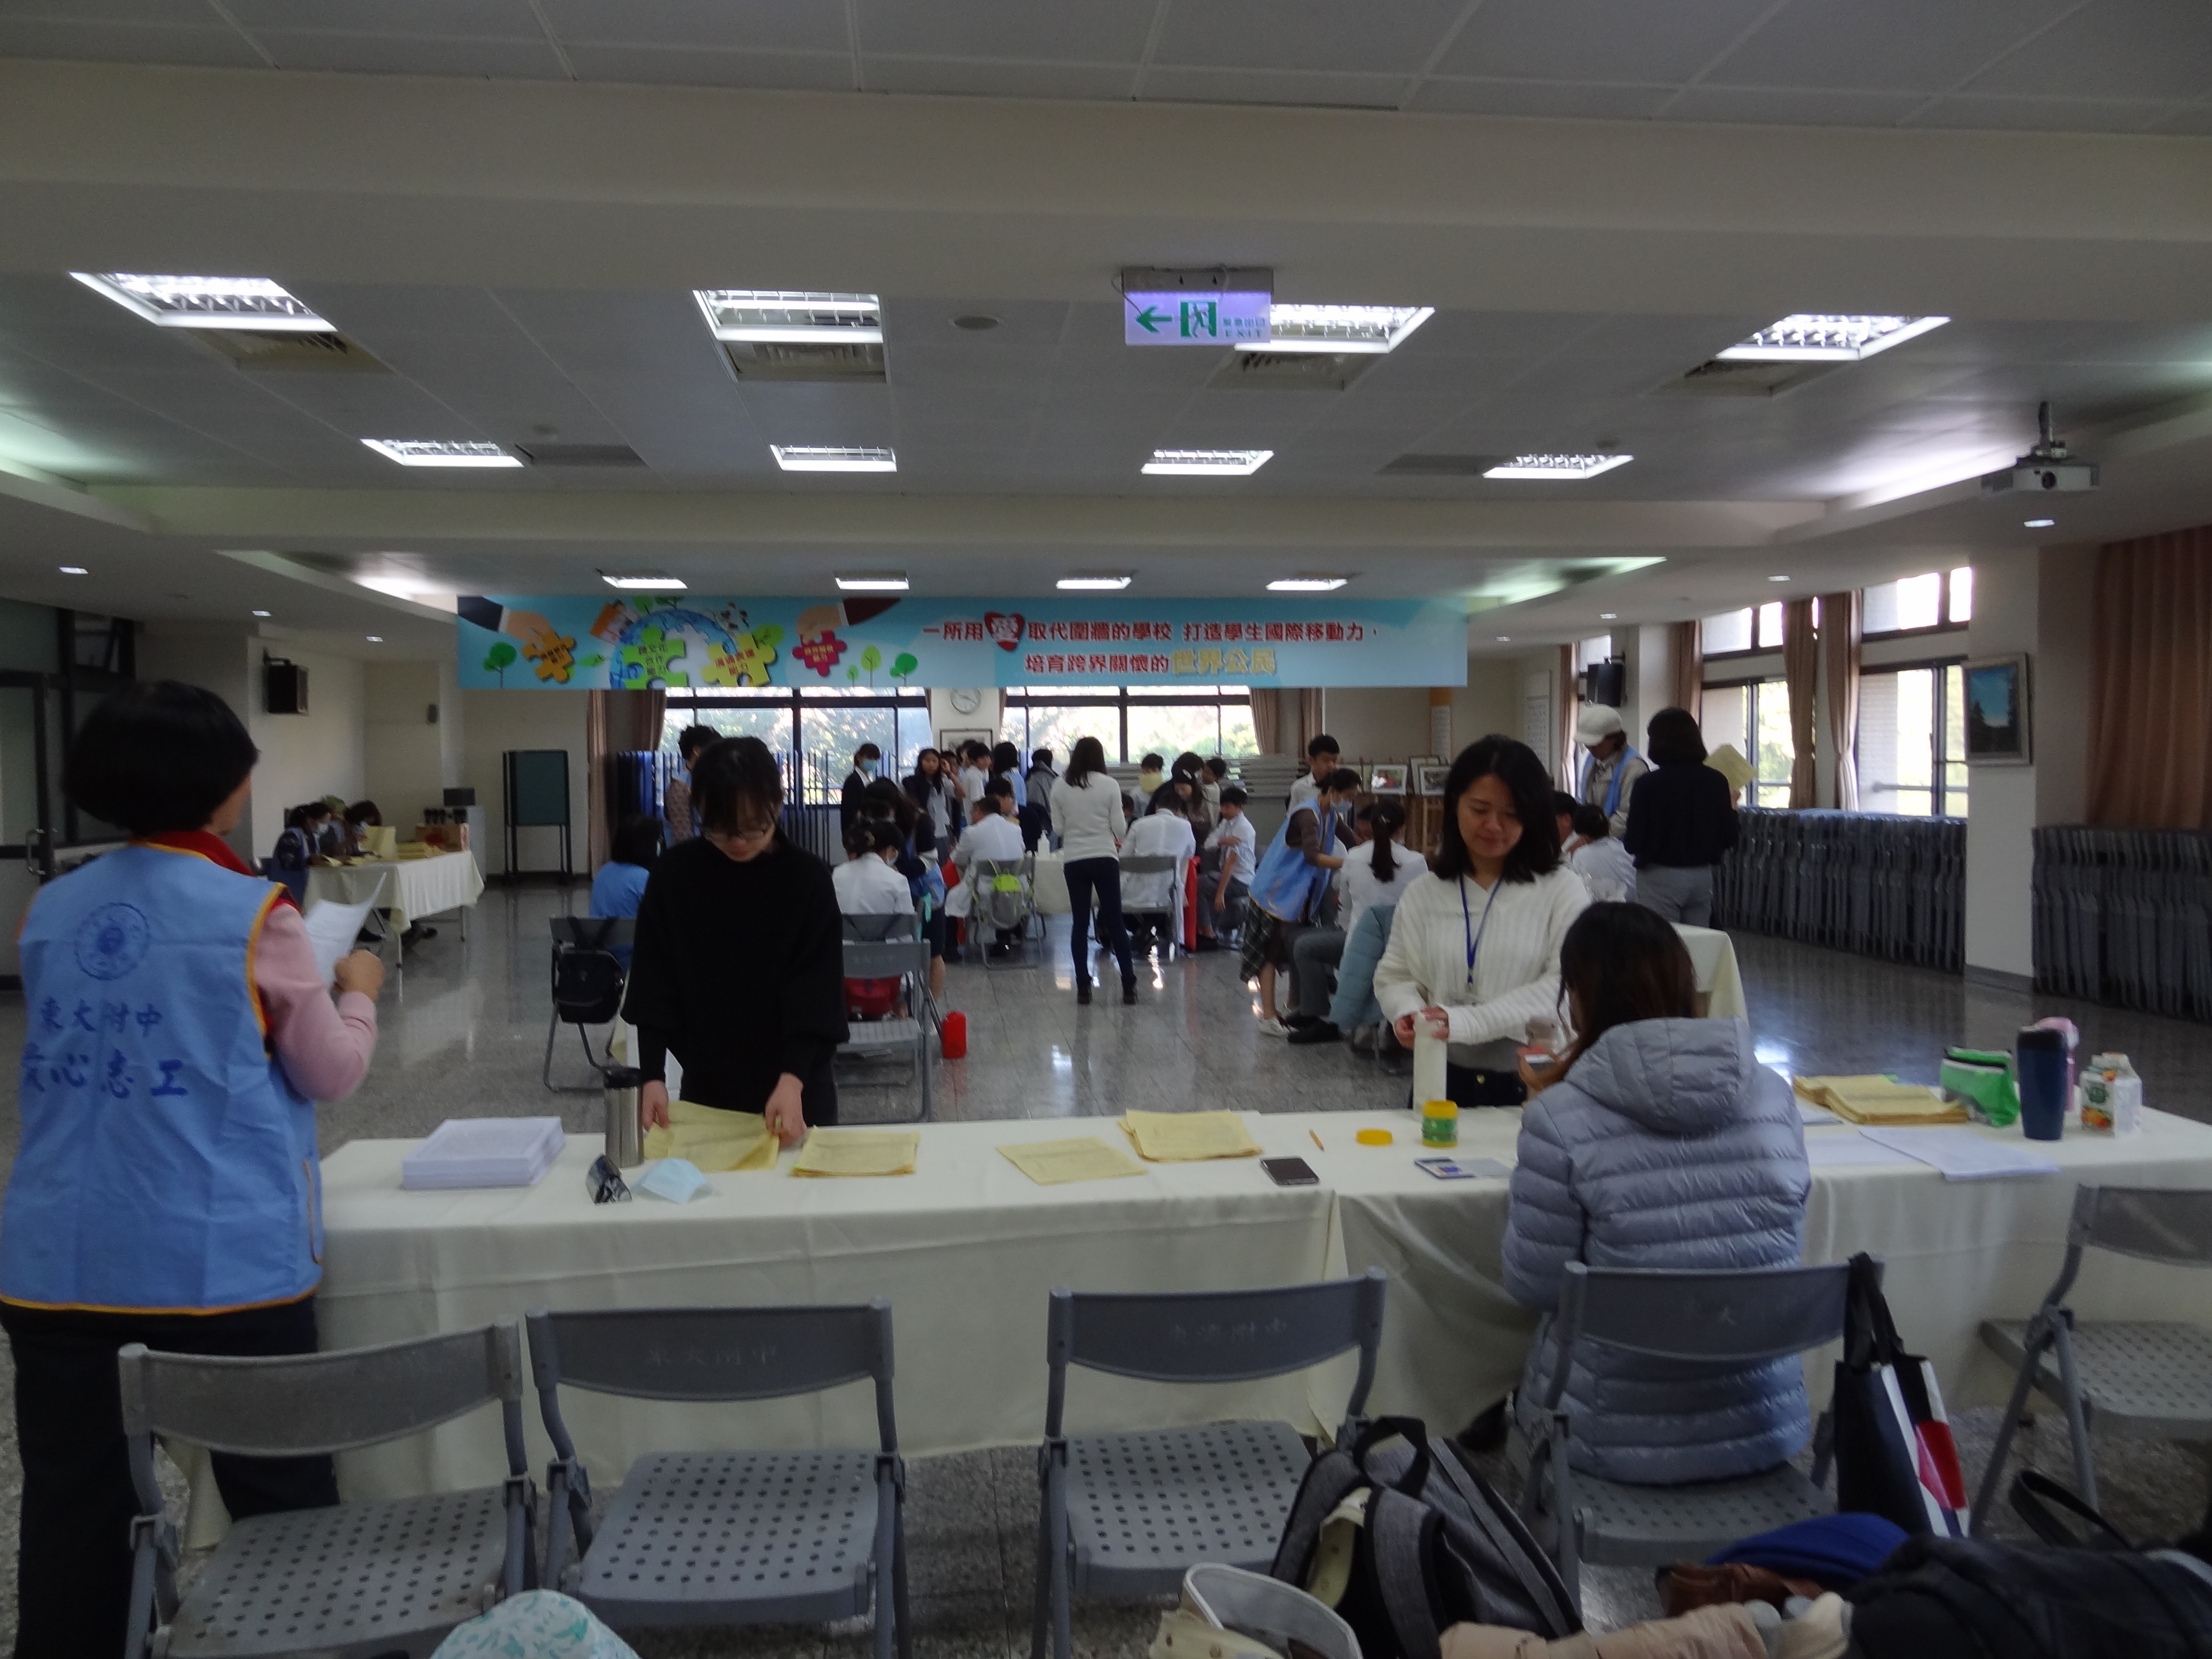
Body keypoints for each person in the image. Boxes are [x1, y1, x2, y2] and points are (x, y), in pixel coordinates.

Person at [0, 681, 385, 1659]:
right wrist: (359, 994)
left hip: (58, 1263)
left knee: (73, 1516)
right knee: (281, 1502)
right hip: (220, 1262)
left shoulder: (51, 909)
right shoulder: (253, 914)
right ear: (224, 784)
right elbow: (330, 1073)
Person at [1502, 903, 1810, 1483]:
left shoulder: (1559, 1118)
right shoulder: (1773, 1096)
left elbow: (1534, 1286)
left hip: (1607, 1434)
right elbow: (1781, 1242)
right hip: (1760, 1425)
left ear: (1579, 998)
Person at [623, 736, 847, 1144]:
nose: (740, 842)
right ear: (700, 810)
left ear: (778, 805)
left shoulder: (807, 880)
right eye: (722, 829)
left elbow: (816, 992)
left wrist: (792, 1080)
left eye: (755, 827)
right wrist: (652, 1076)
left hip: (798, 1088)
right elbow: (654, 981)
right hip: (709, 1084)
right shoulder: (675, 876)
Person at [1373, 735, 1590, 1106]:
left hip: (1532, 1077)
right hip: (1440, 1073)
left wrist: (1465, 1022)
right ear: (1455, 804)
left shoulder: (1562, 889)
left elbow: (1563, 986)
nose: (1494, 825)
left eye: (1512, 814)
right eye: (1480, 809)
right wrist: (1407, 1013)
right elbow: (1395, 975)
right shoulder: (1425, 891)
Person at [1289, 797, 1426, 1046]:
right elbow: (1422, 911)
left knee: (1305, 947)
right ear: (1402, 829)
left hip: (1359, 949)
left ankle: (1320, 1015)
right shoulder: (1417, 862)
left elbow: (1344, 909)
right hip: (1404, 951)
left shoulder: (1354, 858)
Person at [1244, 766, 1362, 1037]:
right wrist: (1352, 864)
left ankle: (1296, 1006)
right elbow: (1313, 856)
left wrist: (1375, 853)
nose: (1350, 802)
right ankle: (1268, 1015)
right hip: (1275, 893)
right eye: (1348, 796)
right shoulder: (1308, 815)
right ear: (1333, 792)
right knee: (1270, 950)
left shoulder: (1331, 815)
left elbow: (1353, 840)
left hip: (1297, 894)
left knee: (1295, 947)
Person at [1623, 706, 1740, 927]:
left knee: (1661, 941)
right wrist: (1732, 806)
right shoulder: (1717, 781)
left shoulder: (1648, 784)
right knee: (1698, 942)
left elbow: (1633, 842)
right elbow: (1729, 837)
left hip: (1659, 876)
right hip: (1702, 876)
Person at [1049, 735, 1136, 1006]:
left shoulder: (1059, 785)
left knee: (1079, 924)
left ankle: (1083, 987)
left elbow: (1058, 829)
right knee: (1116, 921)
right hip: (1105, 857)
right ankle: (1129, 986)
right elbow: (1120, 828)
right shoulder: (1109, 784)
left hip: (1074, 859)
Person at [951, 777, 1028, 961]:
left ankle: (950, 947)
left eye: (973, 812)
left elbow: (958, 860)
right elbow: (1022, 853)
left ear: (979, 812)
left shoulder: (972, 832)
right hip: (1017, 889)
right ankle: (1007, 936)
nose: (971, 816)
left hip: (986, 892)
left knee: (951, 896)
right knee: (1002, 886)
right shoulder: (1014, 829)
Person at [1121, 788, 1197, 953]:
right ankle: (1154, 932)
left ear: (1156, 807)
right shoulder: (1185, 826)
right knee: (1173, 885)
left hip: (1137, 890)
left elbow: (1124, 858)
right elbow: (1190, 853)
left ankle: (1143, 931)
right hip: (1169, 891)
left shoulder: (1139, 824)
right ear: (1178, 811)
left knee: (1114, 898)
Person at [589, 812, 661, 969]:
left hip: (601, 957)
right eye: (657, 840)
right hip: (635, 961)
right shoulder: (645, 878)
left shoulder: (603, 872)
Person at [1575, 704, 1648, 839]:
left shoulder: (1634, 768)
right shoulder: (1591, 759)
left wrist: (1596, 837)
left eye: (1597, 744)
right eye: (1587, 744)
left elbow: (1626, 816)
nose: (1590, 748)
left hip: (1619, 844)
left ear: (1614, 739)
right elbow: (1585, 801)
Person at [1197, 783, 1255, 950]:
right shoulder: (1227, 824)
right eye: (1222, 806)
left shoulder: (1243, 828)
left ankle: (1208, 933)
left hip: (1241, 880)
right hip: (1231, 876)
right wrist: (1222, 841)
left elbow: (1231, 863)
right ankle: (1208, 930)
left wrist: (1220, 893)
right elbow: (1208, 844)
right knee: (1202, 881)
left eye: (1228, 807)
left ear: (1239, 807)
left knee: (1200, 884)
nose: (1223, 810)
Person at [1567, 803, 1637, 904]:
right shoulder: (1625, 849)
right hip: (1635, 906)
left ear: (1582, 835)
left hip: (1603, 910)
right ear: (1609, 825)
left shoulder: (1580, 856)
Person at [663, 723, 718, 842]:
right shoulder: (679, 787)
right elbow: (682, 837)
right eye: (713, 752)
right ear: (697, 751)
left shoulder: (706, 780)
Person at [906, 746, 957, 852]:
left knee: (943, 857)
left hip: (942, 827)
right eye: (927, 761)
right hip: (923, 828)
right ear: (921, 762)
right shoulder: (911, 782)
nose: (931, 764)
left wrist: (949, 773)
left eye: (935, 761)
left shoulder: (943, 781)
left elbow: (962, 793)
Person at [1285, 733, 1341, 812]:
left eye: (1334, 761)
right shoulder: (1299, 788)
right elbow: (1293, 817)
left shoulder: (1342, 786)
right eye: (1326, 761)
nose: (1332, 766)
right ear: (1312, 761)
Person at [839, 742, 883, 839]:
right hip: (857, 834)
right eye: (869, 758)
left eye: (875, 759)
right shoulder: (853, 781)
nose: (873, 761)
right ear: (859, 757)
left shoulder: (868, 780)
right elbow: (850, 812)